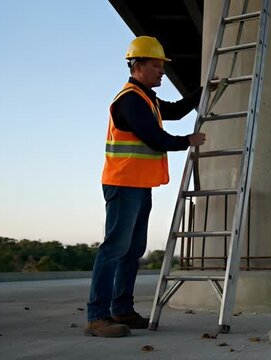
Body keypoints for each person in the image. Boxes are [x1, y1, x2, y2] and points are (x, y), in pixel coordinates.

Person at [84, 36, 206, 337]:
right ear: (137, 66)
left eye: (162, 66)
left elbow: (175, 111)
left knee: (133, 249)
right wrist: (186, 142)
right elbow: (154, 137)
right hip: (123, 184)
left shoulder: (146, 98)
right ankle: (97, 317)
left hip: (139, 185)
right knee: (115, 248)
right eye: (156, 65)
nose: (161, 72)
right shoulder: (129, 100)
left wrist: (204, 90)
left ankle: (122, 309)